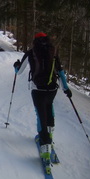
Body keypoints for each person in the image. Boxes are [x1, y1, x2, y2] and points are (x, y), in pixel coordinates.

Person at [13, 32, 72, 164]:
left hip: (37, 90)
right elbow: (60, 72)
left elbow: (19, 71)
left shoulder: (30, 53)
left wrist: (16, 65)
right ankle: (50, 135)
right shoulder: (53, 52)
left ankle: (45, 149)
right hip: (52, 90)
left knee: (41, 115)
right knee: (49, 109)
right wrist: (66, 89)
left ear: (35, 41)